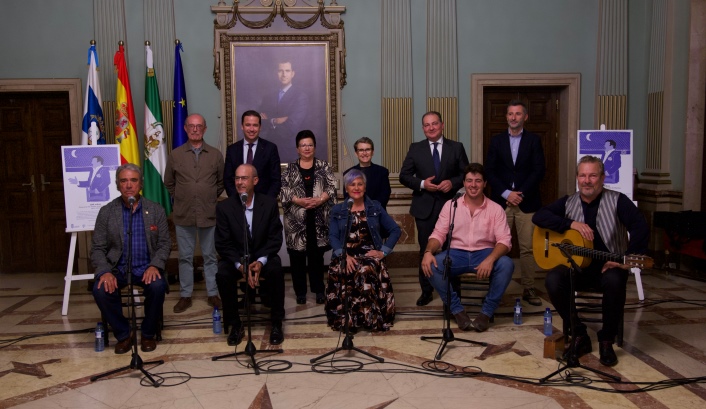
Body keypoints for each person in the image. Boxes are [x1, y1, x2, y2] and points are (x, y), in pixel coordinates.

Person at [532, 156, 649, 367]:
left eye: (593, 175)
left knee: (615, 281)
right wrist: (571, 223)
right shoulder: (569, 202)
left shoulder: (618, 200)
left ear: (602, 178)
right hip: (577, 268)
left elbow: (641, 227)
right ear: (577, 178)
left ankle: (606, 340)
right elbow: (539, 217)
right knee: (553, 280)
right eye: (583, 175)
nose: (587, 180)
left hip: (608, 267)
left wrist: (626, 261)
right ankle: (579, 334)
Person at [421, 163, 514, 332]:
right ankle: (457, 311)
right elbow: (438, 234)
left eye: (478, 181)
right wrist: (428, 252)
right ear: (463, 183)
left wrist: (491, 259)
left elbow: (505, 241)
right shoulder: (451, 205)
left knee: (507, 264)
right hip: (457, 254)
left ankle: (485, 313)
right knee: (431, 265)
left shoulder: (496, 209)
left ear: (485, 183)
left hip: (484, 253)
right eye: (469, 180)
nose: (473, 185)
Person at [91, 164, 169, 354]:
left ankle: (148, 334)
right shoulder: (107, 212)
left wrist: (155, 266)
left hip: (146, 267)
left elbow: (164, 244)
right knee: (101, 290)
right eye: (123, 181)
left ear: (140, 184)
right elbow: (97, 248)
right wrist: (105, 271)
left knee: (158, 287)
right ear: (117, 185)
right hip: (117, 269)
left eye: (133, 180)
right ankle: (124, 335)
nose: (128, 185)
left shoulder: (155, 210)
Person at [399, 111, 469, 306]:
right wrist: (422, 184)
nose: (431, 128)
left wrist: (453, 183)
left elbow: (466, 174)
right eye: (426, 125)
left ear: (442, 124)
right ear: (423, 128)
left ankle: (453, 290)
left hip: (452, 208)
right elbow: (404, 176)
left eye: (434, 124)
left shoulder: (456, 147)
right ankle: (426, 290)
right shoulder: (416, 148)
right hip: (425, 208)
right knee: (426, 250)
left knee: (453, 250)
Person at [215, 164, 285, 346]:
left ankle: (276, 323)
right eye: (237, 178)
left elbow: (275, 238)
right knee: (222, 274)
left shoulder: (269, 204)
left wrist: (260, 262)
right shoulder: (225, 208)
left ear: (255, 181)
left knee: (276, 269)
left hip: (263, 256)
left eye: (244, 178)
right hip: (235, 258)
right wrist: (240, 265)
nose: (239, 182)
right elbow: (222, 243)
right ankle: (235, 324)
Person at [485, 100, 546, 307]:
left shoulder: (534, 140)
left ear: (525, 117)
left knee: (527, 248)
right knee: (496, 246)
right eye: (510, 114)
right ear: (506, 117)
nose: (513, 117)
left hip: (526, 203)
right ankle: (494, 287)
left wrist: (519, 194)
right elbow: (490, 170)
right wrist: (505, 193)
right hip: (500, 203)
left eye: (518, 114)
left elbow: (539, 170)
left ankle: (529, 288)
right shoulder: (496, 140)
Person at [326, 169, 401, 332]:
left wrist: (383, 251)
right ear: (346, 188)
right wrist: (342, 255)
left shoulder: (376, 207)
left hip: (369, 254)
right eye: (352, 184)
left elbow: (395, 230)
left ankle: (370, 318)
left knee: (365, 269)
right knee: (344, 268)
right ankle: (348, 320)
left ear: (365, 187)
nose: (356, 187)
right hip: (345, 253)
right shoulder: (338, 210)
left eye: (360, 184)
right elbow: (332, 236)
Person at [165, 113, 224, 313]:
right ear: (185, 128)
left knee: (210, 256)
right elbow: (169, 183)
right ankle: (185, 295)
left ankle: (213, 293)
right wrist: (183, 197)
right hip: (184, 214)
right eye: (192, 126)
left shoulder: (215, 155)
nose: (195, 129)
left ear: (205, 129)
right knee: (185, 257)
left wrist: (206, 196)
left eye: (199, 126)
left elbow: (220, 182)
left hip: (208, 213)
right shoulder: (175, 155)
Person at [280, 130, 336, 305]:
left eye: (310, 145)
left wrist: (320, 200)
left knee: (316, 258)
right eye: (303, 145)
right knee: (297, 259)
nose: (306, 148)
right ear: (297, 148)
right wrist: (300, 201)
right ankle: (300, 293)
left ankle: (319, 290)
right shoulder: (289, 169)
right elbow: (283, 190)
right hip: (296, 223)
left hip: (318, 221)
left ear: (314, 147)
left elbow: (332, 186)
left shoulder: (324, 166)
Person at [223, 110, 282, 199]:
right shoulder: (232, 150)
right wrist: (238, 201)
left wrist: (266, 204)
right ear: (242, 126)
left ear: (260, 127)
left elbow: (276, 181)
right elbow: (228, 180)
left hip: (264, 205)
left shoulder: (270, 148)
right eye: (248, 125)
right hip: (238, 205)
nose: (251, 129)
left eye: (255, 125)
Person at [259, 59, 309, 152]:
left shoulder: (300, 97)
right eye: (280, 71)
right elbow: (260, 124)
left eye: (287, 71)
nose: (284, 74)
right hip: (268, 148)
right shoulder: (267, 97)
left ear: (293, 74)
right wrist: (276, 121)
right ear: (276, 73)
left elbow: (291, 127)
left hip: (289, 149)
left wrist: (269, 121)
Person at [343, 137, 391, 209]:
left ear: (372, 152)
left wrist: (369, 210)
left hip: (377, 213)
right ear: (356, 153)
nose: (364, 153)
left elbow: (384, 196)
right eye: (361, 150)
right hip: (355, 213)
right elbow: (347, 197)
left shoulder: (382, 172)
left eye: (367, 149)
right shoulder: (348, 173)